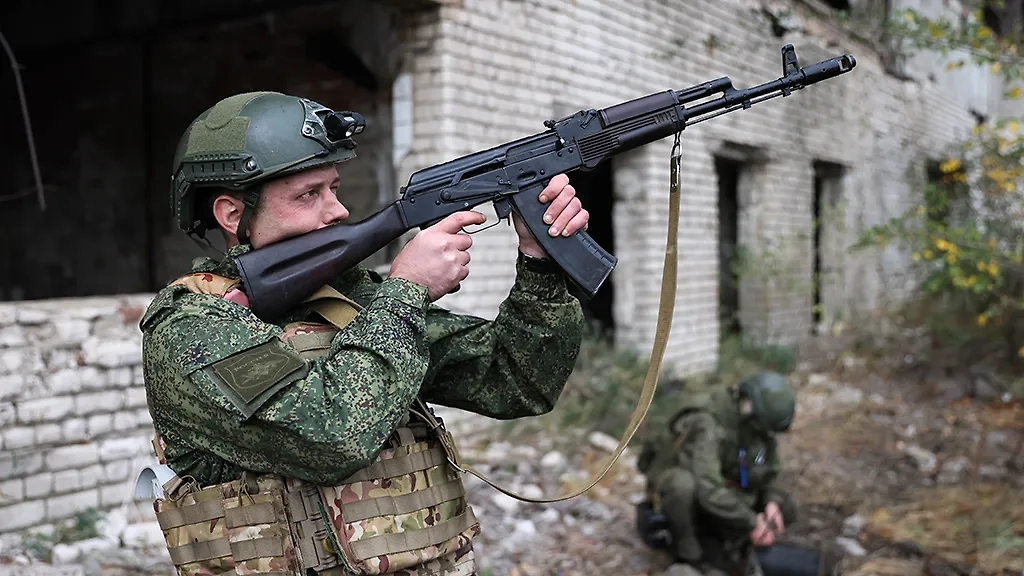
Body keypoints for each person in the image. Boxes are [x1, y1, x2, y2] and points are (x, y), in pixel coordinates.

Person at [138, 91, 589, 576]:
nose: (337, 211)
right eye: (308, 195)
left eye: (333, 188)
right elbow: (330, 438)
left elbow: (515, 380)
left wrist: (537, 262)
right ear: (232, 214)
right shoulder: (191, 329)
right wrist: (407, 291)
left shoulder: (349, 301)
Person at [637, 372, 799, 576]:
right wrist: (751, 521)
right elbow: (707, 487)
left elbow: (768, 469)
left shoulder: (756, 424)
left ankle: (731, 543)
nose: (767, 435)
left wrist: (771, 501)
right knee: (682, 485)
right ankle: (689, 555)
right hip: (685, 490)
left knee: (787, 506)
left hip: (723, 484)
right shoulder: (709, 422)